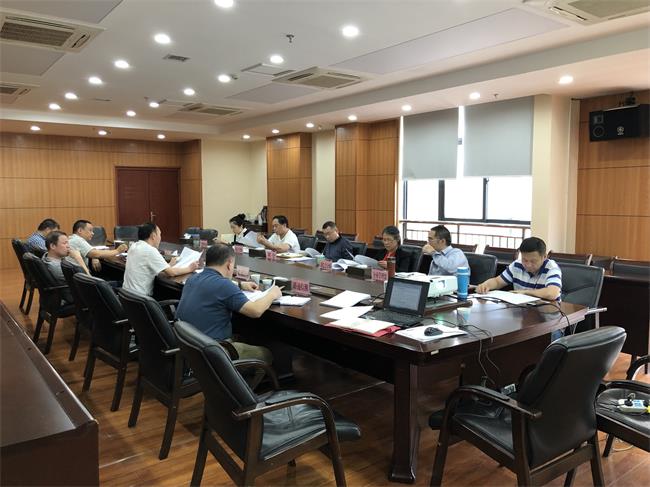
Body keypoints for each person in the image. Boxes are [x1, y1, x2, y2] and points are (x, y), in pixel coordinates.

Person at [176, 244, 282, 382]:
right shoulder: (224, 286)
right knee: (265, 354)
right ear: (229, 264)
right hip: (212, 350)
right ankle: (241, 392)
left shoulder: (192, 278)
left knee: (242, 336)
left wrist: (240, 285)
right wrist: (273, 294)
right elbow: (256, 311)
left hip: (189, 344)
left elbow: (216, 286)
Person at [123, 222, 198, 296]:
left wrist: (168, 265)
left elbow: (150, 270)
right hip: (140, 299)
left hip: (126, 296)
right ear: (153, 236)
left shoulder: (134, 246)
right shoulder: (150, 250)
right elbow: (171, 273)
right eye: (159, 234)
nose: (160, 238)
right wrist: (190, 268)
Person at [476, 237, 562, 301]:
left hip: (549, 313)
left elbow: (552, 293)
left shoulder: (552, 268)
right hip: (523, 311)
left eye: (533, 261)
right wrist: (486, 285)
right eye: (525, 260)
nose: (528, 265)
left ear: (544, 257)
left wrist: (525, 292)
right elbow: (497, 282)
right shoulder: (517, 265)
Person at [41, 231, 89, 303]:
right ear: (52, 246)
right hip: (75, 297)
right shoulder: (58, 267)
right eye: (64, 243)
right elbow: (88, 279)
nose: (68, 246)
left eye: (68, 243)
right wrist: (78, 258)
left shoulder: (46, 256)